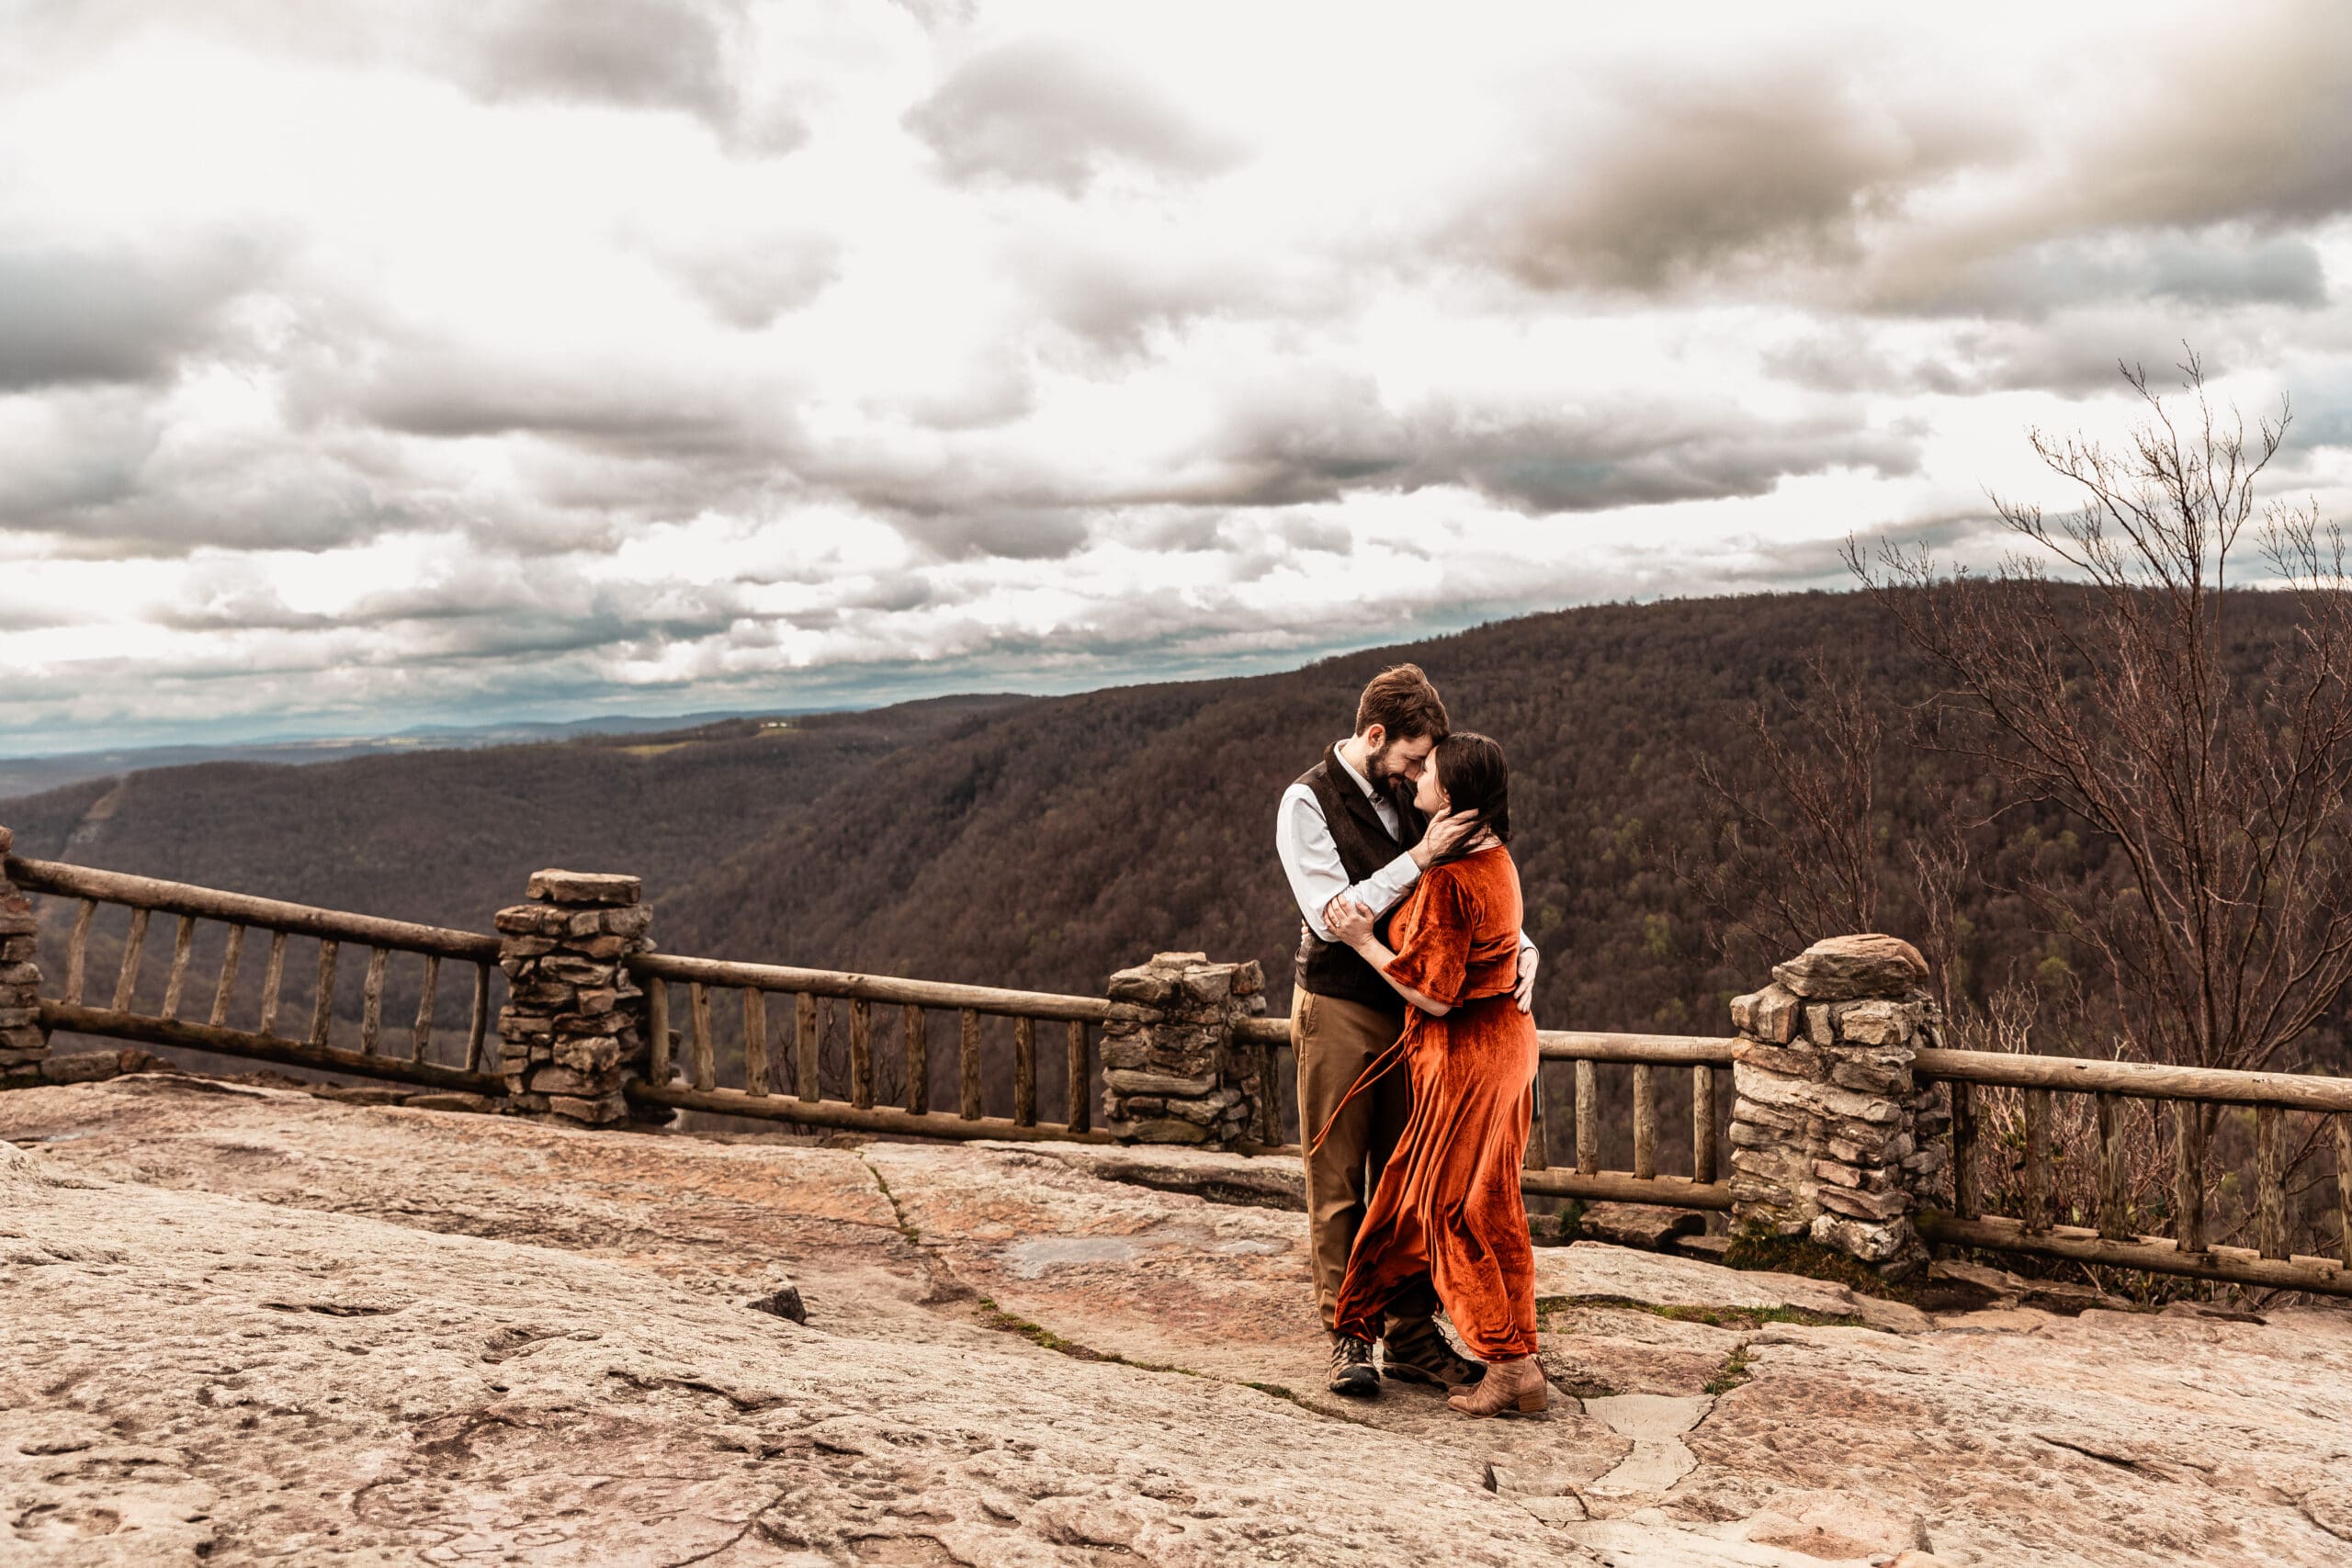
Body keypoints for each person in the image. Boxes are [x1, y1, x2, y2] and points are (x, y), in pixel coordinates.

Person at [1274, 665, 1538, 1398]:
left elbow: (1471, 888)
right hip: (1340, 1006)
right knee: (1338, 1177)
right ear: (1376, 736)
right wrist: (1419, 855)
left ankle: (1414, 1335)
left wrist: (1521, 946)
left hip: (1422, 1013)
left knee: (1414, 1178)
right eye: (1415, 760)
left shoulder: (1416, 793)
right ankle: (1348, 1335)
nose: (1423, 774)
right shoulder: (1306, 802)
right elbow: (1338, 913)